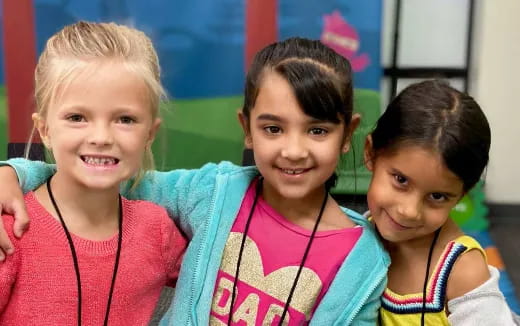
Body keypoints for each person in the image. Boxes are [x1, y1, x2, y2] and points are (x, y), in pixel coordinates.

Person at [0, 37, 389, 325]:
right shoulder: (213, 192)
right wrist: (14, 172)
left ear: (347, 134)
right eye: (273, 128)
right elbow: (99, 177)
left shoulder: (365, 260)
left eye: (317, 131)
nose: (293, 150)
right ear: (247, 129)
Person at [0, 21, 186, 325]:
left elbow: (214, 287)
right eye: (77, 117)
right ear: (45, 129)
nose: (101, 137)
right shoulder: (11, 233)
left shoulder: (157, 231)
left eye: (125, 119)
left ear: (149, 134)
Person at [365, 80, 517, 325]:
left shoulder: (462, 271)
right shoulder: (360, 234)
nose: (409, 211)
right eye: (401, 180)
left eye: (437, 196)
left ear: (462, 194)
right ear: (370, 153)